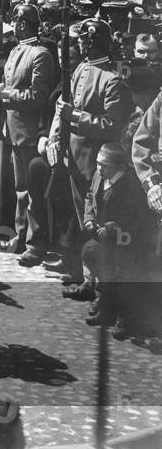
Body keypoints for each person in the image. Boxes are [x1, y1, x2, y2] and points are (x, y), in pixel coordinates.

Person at [44, 18, 127, 279]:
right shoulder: (81, 68)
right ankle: (80, 271)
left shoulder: (112, 80)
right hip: (73, 155)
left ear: (91, 42)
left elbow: (111, 125)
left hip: (94, 160)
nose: (79, 43)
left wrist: (76, 116)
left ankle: (97, 282)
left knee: (93, 220)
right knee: (78, 216)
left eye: (82, 39)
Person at [0, 4, 56, 258]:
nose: (13, 26)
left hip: (30, 132)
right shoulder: (17, 50)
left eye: (16, 21)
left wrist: (7, 94)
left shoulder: (40, 55)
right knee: (21, 190)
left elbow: (39, 96)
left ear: (23, 24)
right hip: (14, 129)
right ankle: (21, 236)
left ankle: (35, 244)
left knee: (33, 191)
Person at [80, 142, 155, 339]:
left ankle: (125, 318)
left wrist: (112, 228)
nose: (99, 168)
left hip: (129, 241)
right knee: (91, 253)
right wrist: (89, 219)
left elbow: (138, 219)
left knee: (123, 272)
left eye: (105, 165)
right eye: (98, 163)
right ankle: (106, 309)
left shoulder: (131, 186)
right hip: (104, 238)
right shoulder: (99, 176)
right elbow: (90, 197)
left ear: (119, 167)